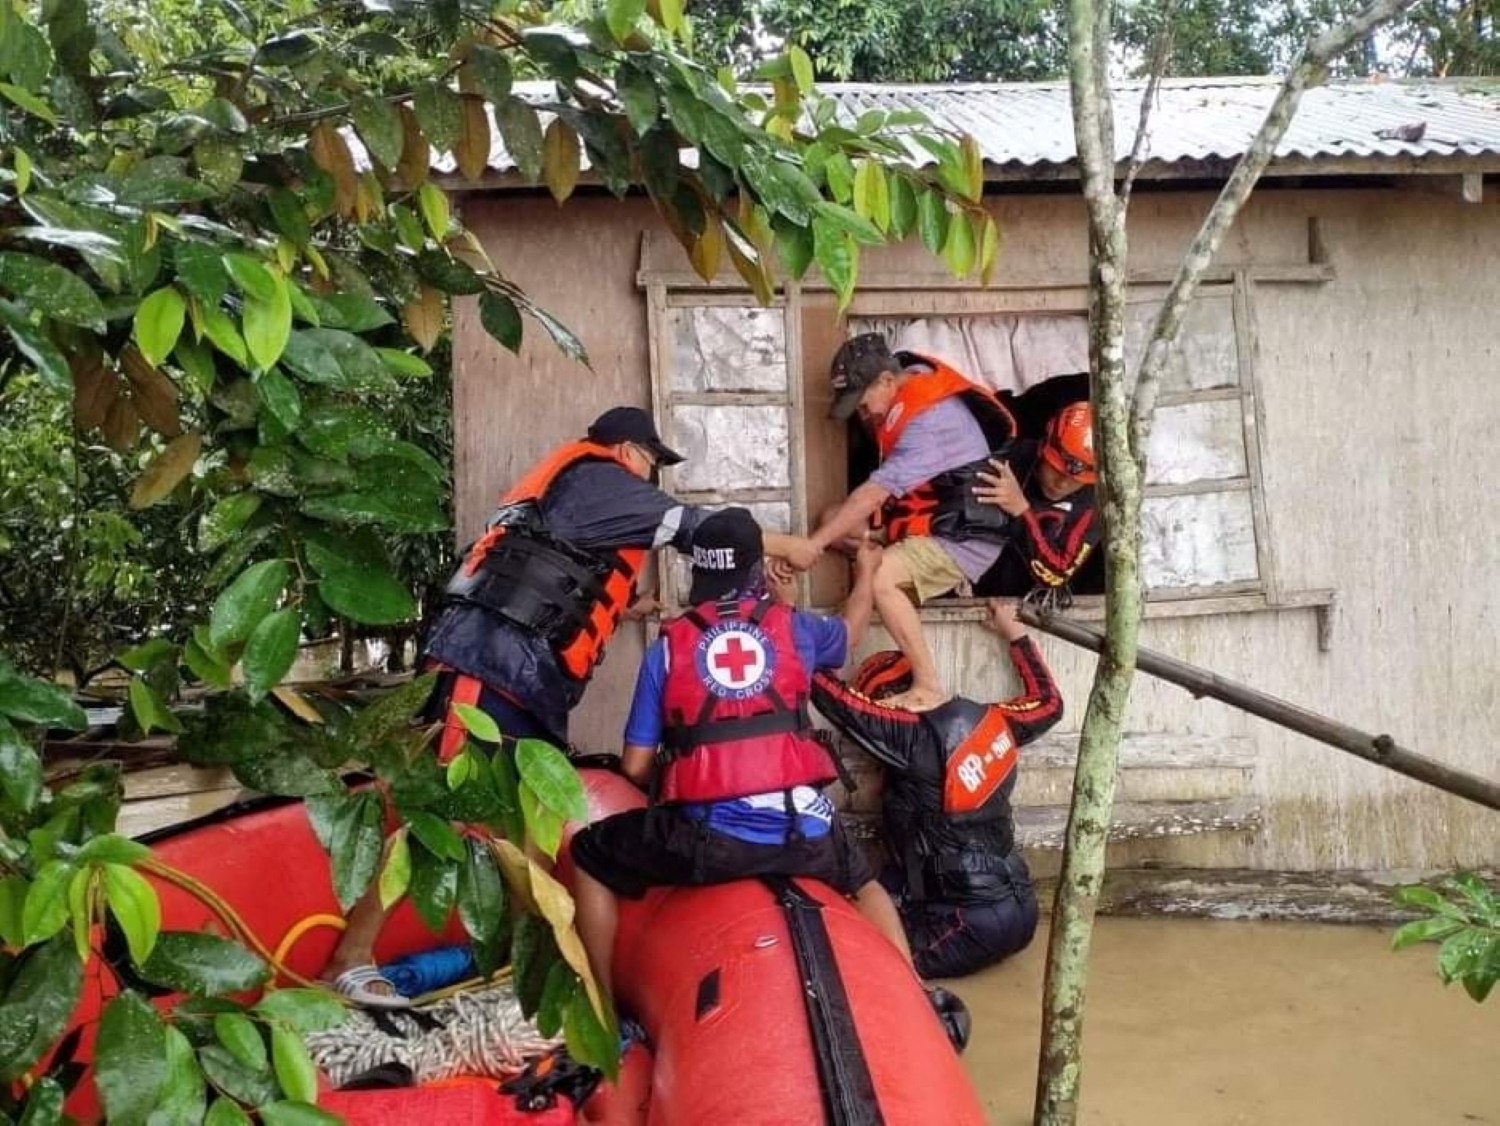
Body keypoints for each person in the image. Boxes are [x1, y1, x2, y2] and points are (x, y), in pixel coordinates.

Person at [323, 408, 818, 1006]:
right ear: (629, 449)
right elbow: (701, 531)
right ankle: (349, 961)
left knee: (535, 827)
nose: (650, 476)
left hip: (528, 679)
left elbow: (558, 579)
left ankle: (521, 967)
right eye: (651, 462)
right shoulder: (597, 478)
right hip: (489, 664)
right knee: (444, 810)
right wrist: (799, 545)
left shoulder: (577, 493)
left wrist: (627, 609)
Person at [569, 507, 913, 996]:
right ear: (756, 569)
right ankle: (916, 992)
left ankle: (601, 1002)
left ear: (699, 572)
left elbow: (635, 766)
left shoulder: (667, 649)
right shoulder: (794, 627)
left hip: (711, 843)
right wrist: (866, 574)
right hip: (804, 832)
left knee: (588, 853)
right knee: (868, 883)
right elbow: (851, 634)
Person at [809, 600, 1063, 979]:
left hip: (964, 927)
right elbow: (1049, 703)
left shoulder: (908, 736)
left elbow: (833, 697)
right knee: (881, 888)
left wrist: (784, 625)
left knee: (850, 962)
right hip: (1024, 911)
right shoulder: (993, 722)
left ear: (891, 703)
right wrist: (1016, 633)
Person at [809, 333, 1018, 712]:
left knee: (879, 575)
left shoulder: (928, 421)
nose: (863, 414)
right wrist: (829, 532)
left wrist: (813, 545)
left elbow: (872, 495)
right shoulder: (911, 379)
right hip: (931, 521)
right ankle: (891, 582)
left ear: (888, 381)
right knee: (832, 520)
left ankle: (927, 685)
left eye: (863, 401)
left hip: (964, 539)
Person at [971, 401, 1101, 597]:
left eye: (1075, 480)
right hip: (974, 588)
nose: (1062, 484)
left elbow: (1056, 573)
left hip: (1030, 605)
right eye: (1056, 470)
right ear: (1043, 448)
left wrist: (1022, 512)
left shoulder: (1093, 503)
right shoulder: (1008, 460)